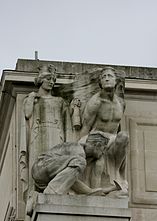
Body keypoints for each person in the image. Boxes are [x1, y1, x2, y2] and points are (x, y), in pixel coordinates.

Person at [19, 64, 72, 202]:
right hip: (38, 136)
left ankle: (57, 195)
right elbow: (27, 113)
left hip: (57, 136)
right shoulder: (33, 99)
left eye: (53, 79)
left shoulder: (60, 101)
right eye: (48, 78)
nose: (51, 82)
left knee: (57, 166)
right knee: (37, 168)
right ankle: (34, 197)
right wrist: (31, 97)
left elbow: (68, 127)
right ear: (41, 79)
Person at [80, 67, 129, 195]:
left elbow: (117, 127)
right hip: (96, 137)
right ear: (100, 83)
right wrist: (80, 148)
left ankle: (118, 176)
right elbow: (86, 127)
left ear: (116, 81)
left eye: (109, 76)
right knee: (99, 159)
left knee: (124, 136)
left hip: (112, 138)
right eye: (103, 77)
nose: (106, 78)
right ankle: (96, 190)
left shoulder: (121, 103)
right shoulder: (95, 102)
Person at [31, 131, 119, 200]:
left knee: (79, 162)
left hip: (42, 173)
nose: (103, 153)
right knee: (80, 161)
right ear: (98, 145)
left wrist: (92, 191)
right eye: (103, 149)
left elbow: (71, 180)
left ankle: (47, 194)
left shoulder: (75, 156)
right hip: (41, 166)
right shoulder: (78, 150)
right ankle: (50, 193)